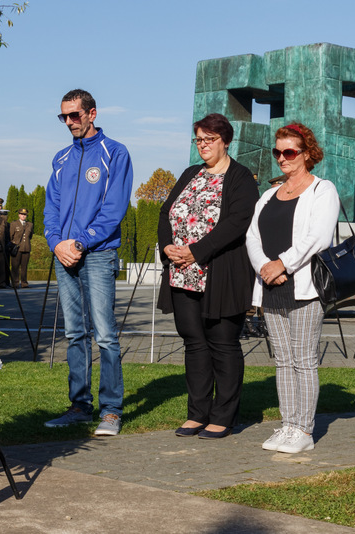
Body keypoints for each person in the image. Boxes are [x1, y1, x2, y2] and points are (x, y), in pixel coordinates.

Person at [157, 113, 257, 440]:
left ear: (225, 140)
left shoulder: (241, 177)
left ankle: (223, 416)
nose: (202, 145)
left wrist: (197, 251)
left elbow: (237, 221)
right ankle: (197, 413)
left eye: (209, 139)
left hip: (221, 274)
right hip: (182, 275)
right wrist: (167, 246)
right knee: (194, 344)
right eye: (198, 139)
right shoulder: (190, 173)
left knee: (223, 344)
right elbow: (166, 212)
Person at [43, 89, 133, 436]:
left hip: (97, 254)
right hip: (64, 255)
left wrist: (81, 242)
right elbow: (51, 208)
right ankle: (79, 406)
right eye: (63, 117)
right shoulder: (61, 158)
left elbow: (114, 209)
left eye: (74, 115)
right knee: (74, 334)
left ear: (92, 113)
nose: (69, 122)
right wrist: (56, 244)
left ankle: (111, 411)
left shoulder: (115, 153)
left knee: (105, 335)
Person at [246, 123, 338, 453]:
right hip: (271, 287)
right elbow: (252, 236)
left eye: (289, 152)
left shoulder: (322, 190)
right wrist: (265, 267)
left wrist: (282, 264)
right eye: (277, 152)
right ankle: (287, 425)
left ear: (307, 154)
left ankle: (304, 430)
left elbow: (318, 237)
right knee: (283, 361)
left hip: (304, 288)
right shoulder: (268, 195)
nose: (282, 158)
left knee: (304, 360)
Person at [9, 208, 33, 288]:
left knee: (24, 267)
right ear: (19, 215)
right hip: (17, 248)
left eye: (25, 215)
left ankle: (24, 283)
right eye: (22, 214)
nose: (23, 216)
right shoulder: (14, 224)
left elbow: (30, 236)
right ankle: (15, 283)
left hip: (26, 247)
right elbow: (11, 236)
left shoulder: (30, 225)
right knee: (15, 266)